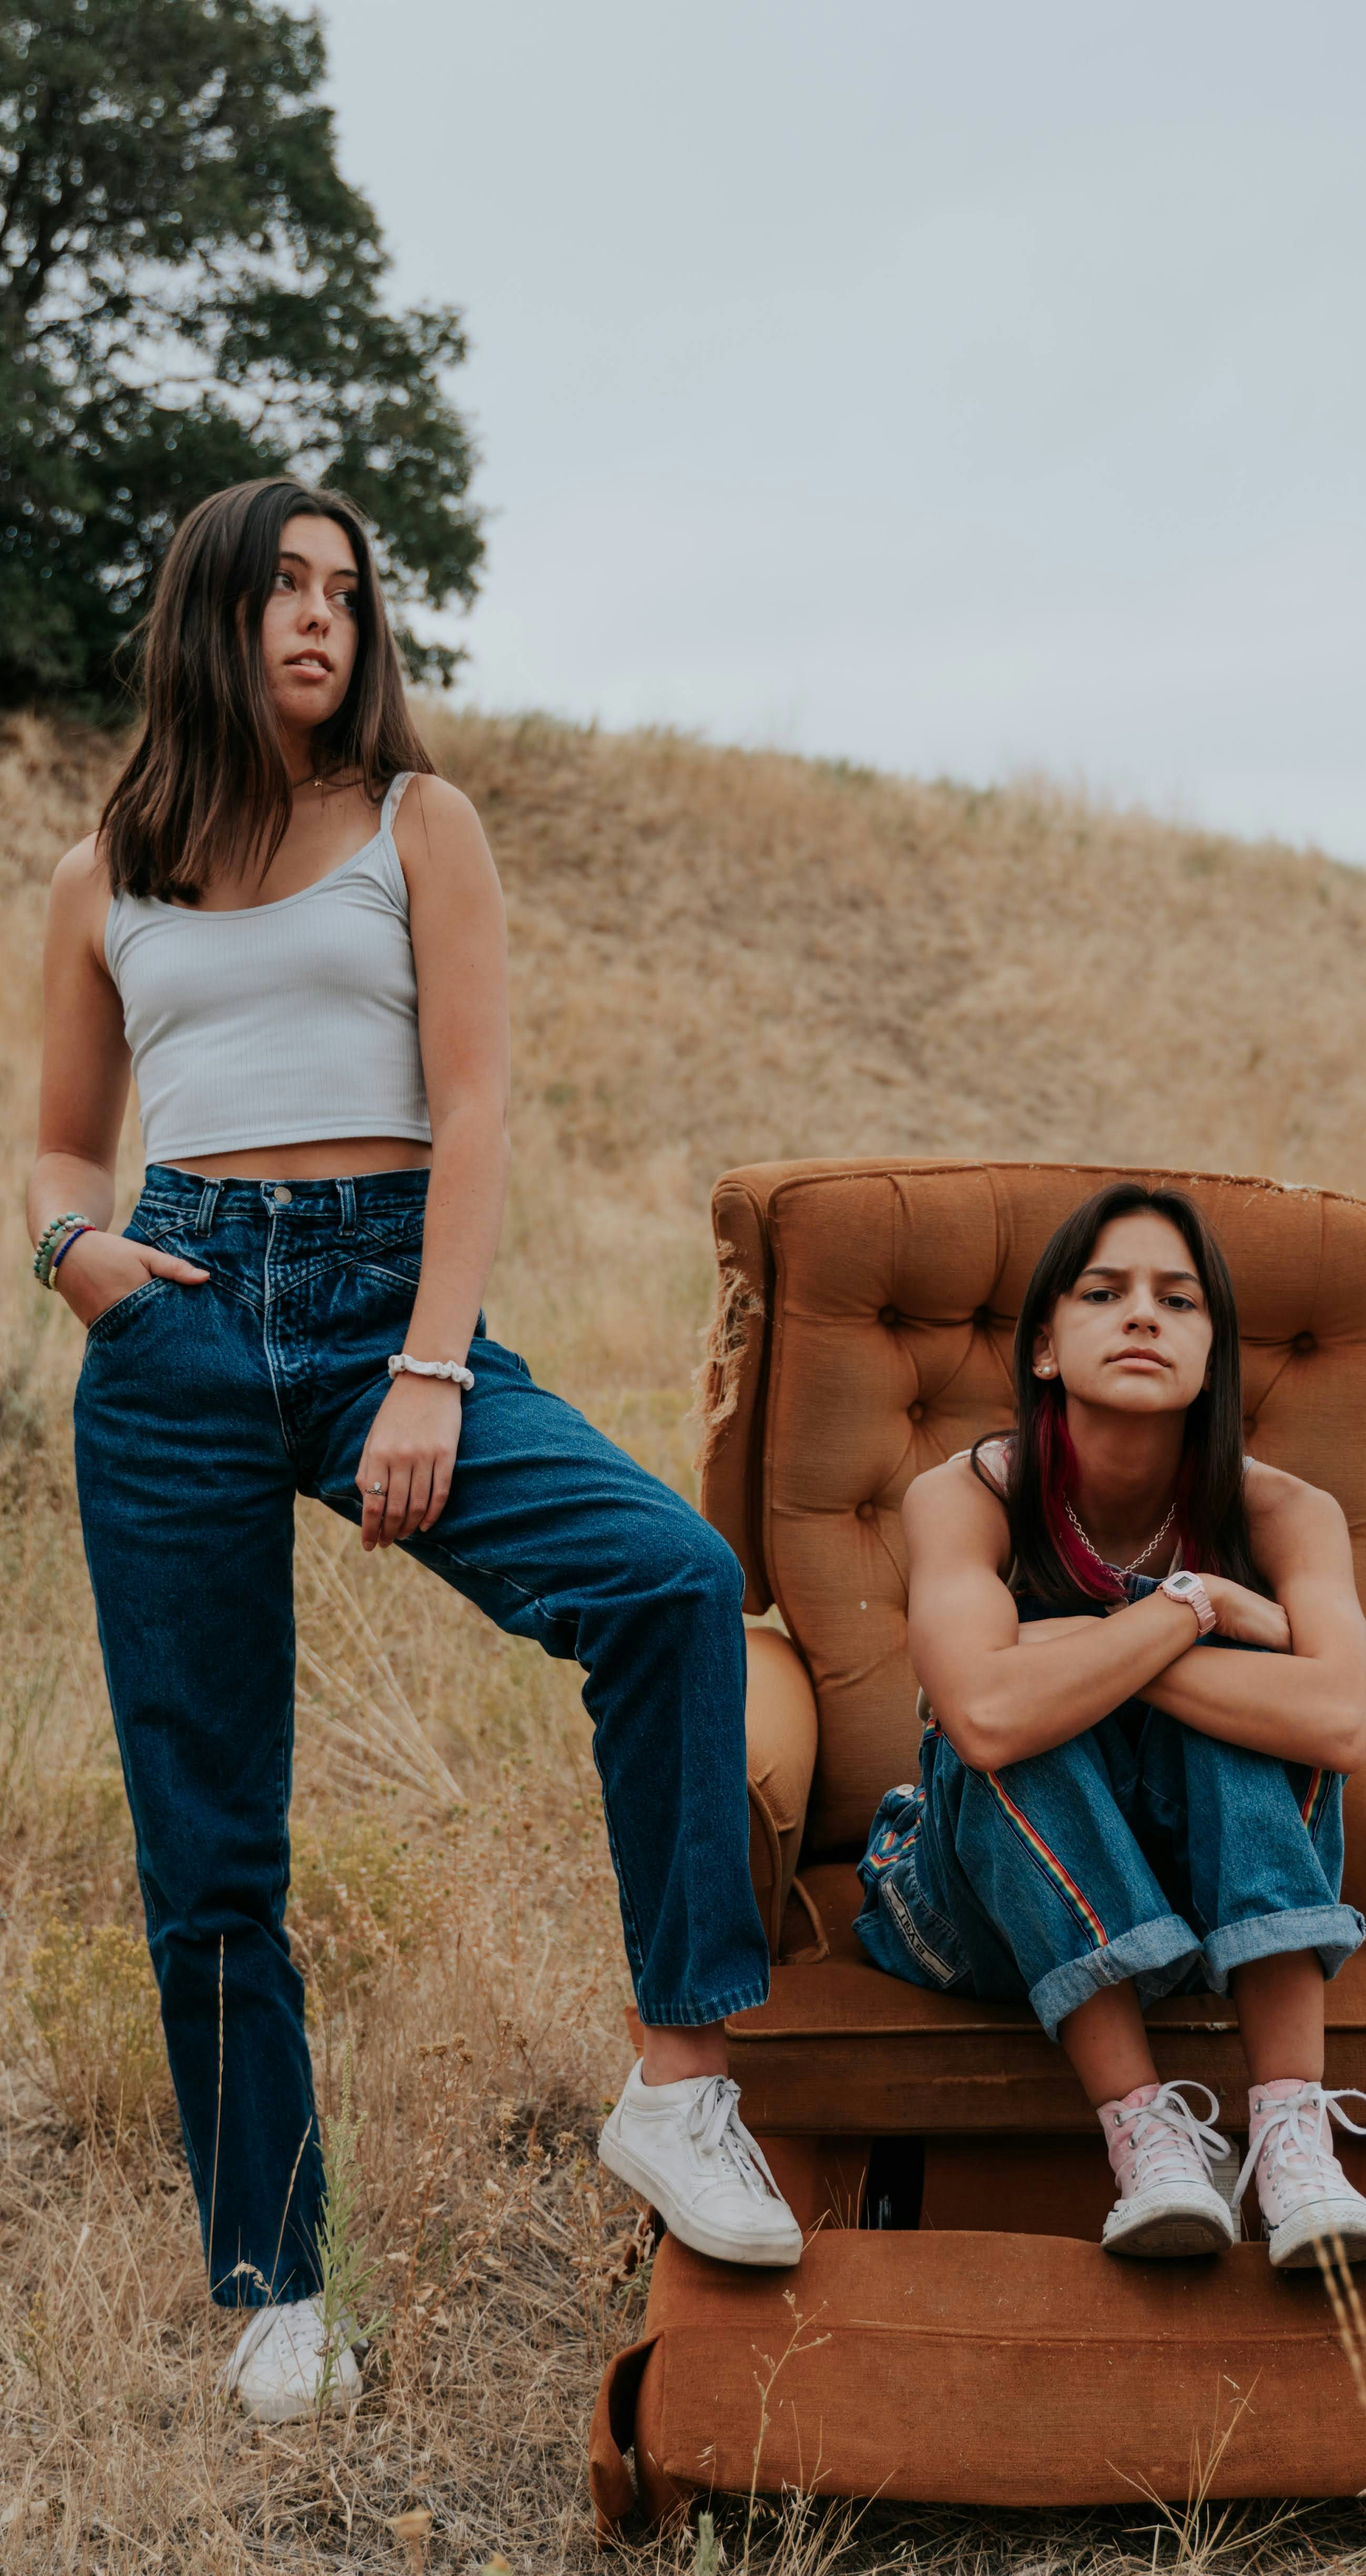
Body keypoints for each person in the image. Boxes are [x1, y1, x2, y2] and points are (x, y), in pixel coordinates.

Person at [28, 476, 800, 2426]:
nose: (324, 621)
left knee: (666, 1578)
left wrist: (433, 1373)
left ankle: (680, 2084)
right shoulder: (102, 868)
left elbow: (475, 1105)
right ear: (208, 607)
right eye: (285, 587)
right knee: (209, 1837)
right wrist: (76, 1253)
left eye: (348, 594)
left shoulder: (414, 825)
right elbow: (57, 1141)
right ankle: (280, 2284)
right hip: (180, 1317)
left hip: (390, 1301)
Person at [856, 1182, 1366, 2269]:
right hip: (977, 1909)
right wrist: (1199, 1611)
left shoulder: (1288, 1511)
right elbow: (990, 1716)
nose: (1143, 1314)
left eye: (1177, 1300)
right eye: (1104, 1292)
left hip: (1204, 1913)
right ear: (1046, 1345)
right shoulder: (964, 1494)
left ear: (1212, 1353)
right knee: (1034, 1728)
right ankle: (1147, 2138)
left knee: (1241, 1705)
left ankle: (1293, 2136)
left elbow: (1340, 1718)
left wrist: (1090, 1650)